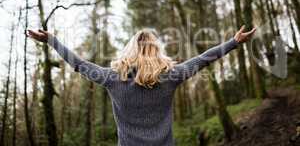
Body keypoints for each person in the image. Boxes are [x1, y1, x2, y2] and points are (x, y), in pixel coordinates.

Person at [27, 25, 256, 146]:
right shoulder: (172, 75)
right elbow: (205, 58)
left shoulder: (112, 78)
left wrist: (51, 40)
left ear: (130, 49)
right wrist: (234, 42)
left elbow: (78, 64)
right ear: (156, 49)